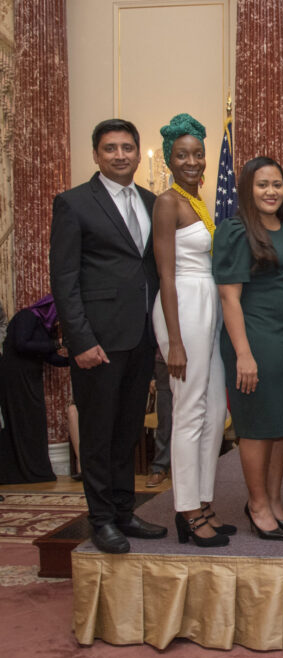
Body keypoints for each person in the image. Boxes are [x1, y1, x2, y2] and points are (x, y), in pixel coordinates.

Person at [50, 118, 168, 553]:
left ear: (139, 153)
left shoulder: (152, 201)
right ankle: (100, 520)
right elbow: (64, 278)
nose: (120, 155)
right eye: (110, 148)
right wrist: (79, 340)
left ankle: (123, 511)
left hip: (140, 337)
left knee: (127, 431)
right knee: (98, 435)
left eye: (127, 148)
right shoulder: (74, 203)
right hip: (97, 341)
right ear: (96, 155)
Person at [151, 113, 231, 548]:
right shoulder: (168, 202)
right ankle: (185, 510)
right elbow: (165, 274)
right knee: (189, 411)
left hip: (208, 307)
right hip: (182, 304)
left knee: (214, 411)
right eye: (182, 154)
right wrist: (175, 342)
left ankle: (203, 501)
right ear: (169, 159)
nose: (192, 161)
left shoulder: (198, 202)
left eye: (198, 153)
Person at [214, 156, 283, 541]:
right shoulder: (235, 231)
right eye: (262, 184)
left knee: (282, 425)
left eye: (277, 184)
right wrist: (244, 353)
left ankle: (275, 500)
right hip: (253, 338)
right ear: (248, 189)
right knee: (256, 426)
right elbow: (228, 298)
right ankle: (257, 504)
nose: (271, 191)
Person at [0, 295, 68, 484]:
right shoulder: (27, 316)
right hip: (15, 379)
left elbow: (50, 356)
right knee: (21, 421)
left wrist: (73, 362)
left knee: (33, 423)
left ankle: (36, 471)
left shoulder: (45, 327)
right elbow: (21, 344)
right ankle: (17, 473)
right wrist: (57, 344)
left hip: (31, 378)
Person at [146, 348, 172, 488]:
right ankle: (159, 468)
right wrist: (151, 376)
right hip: (163, 360)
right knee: (165, 419)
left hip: (196, 355)